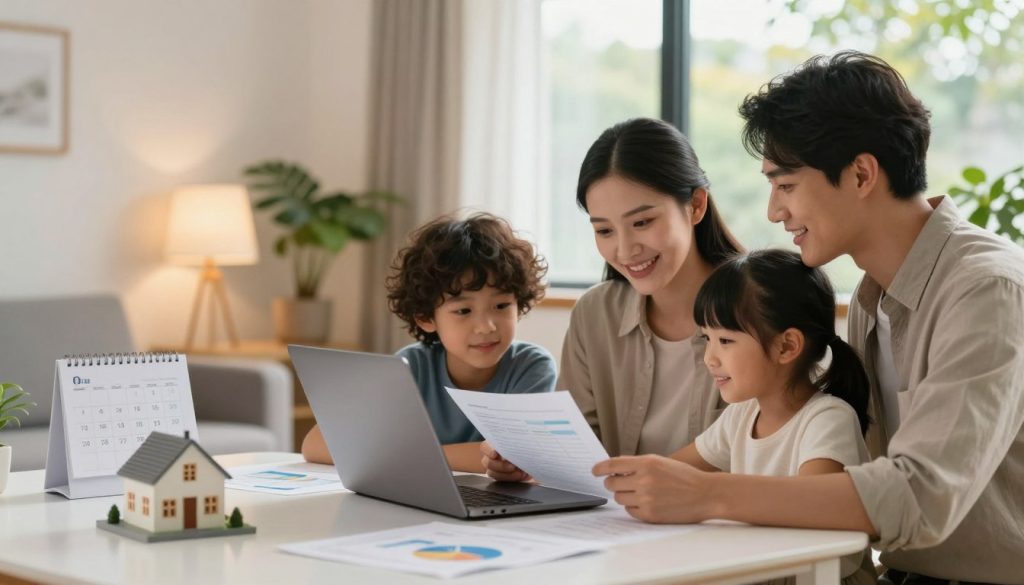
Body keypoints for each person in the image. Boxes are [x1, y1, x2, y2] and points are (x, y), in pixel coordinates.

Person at [594, 51, 1024, 584]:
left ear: (862, 173)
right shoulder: (872, 298)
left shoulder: (985, 289)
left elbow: (920, 497)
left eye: (786, 185)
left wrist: (708, 493)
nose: (774, 212)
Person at [483, 117, 743, 482]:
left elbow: (763, 448)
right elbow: (576, 447)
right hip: (617, 524)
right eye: (604, 230)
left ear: (696, 205)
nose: (624, 250)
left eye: (642, 222)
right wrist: (531, 461)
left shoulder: (756, 309)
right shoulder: (595, 313)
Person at [669, 249, 876, 584]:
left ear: (786, 346)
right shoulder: (741, 415)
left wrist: (713, 497)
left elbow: (811, 512)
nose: (710, 357)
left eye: (725, 340)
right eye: (707, 338)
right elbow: (672, 472)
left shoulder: (827, 419)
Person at [302, 212, 557, 472]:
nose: (486, 326)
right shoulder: (410, 366)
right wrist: (431, 458)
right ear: (426, 317)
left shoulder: (531, 366)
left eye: (502, 305)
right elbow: (315, 444)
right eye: (463, 311)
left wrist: (400, 455)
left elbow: (518, 456)